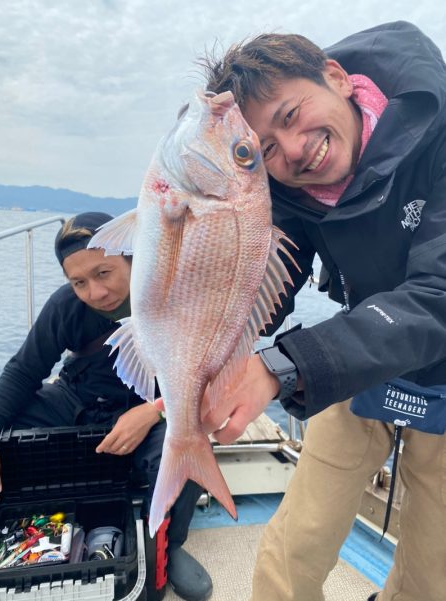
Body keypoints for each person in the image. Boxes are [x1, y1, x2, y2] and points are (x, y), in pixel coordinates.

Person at [200, 20, 446, 601]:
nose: (292, 150)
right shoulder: (287, 188)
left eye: (289, 115)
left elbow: (437, 295)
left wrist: (281, 366)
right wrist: (206, 352)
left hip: (429, 357)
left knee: (431, 569)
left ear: (337, 78)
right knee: (294, 547)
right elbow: (268, 281)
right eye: (263, 149)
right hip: (360, 368)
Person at [0, 212, 213, 601]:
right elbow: (22, 372)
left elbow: (207, 382)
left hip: (154, 403)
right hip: (79, 397)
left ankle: (171, 543)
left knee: (185, 442)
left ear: (133, 258)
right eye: (79, 282)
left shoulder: (174, 300)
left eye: (104, 273)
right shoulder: (66, 306)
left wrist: (151, 412)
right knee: (10, 423)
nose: (95, 293)